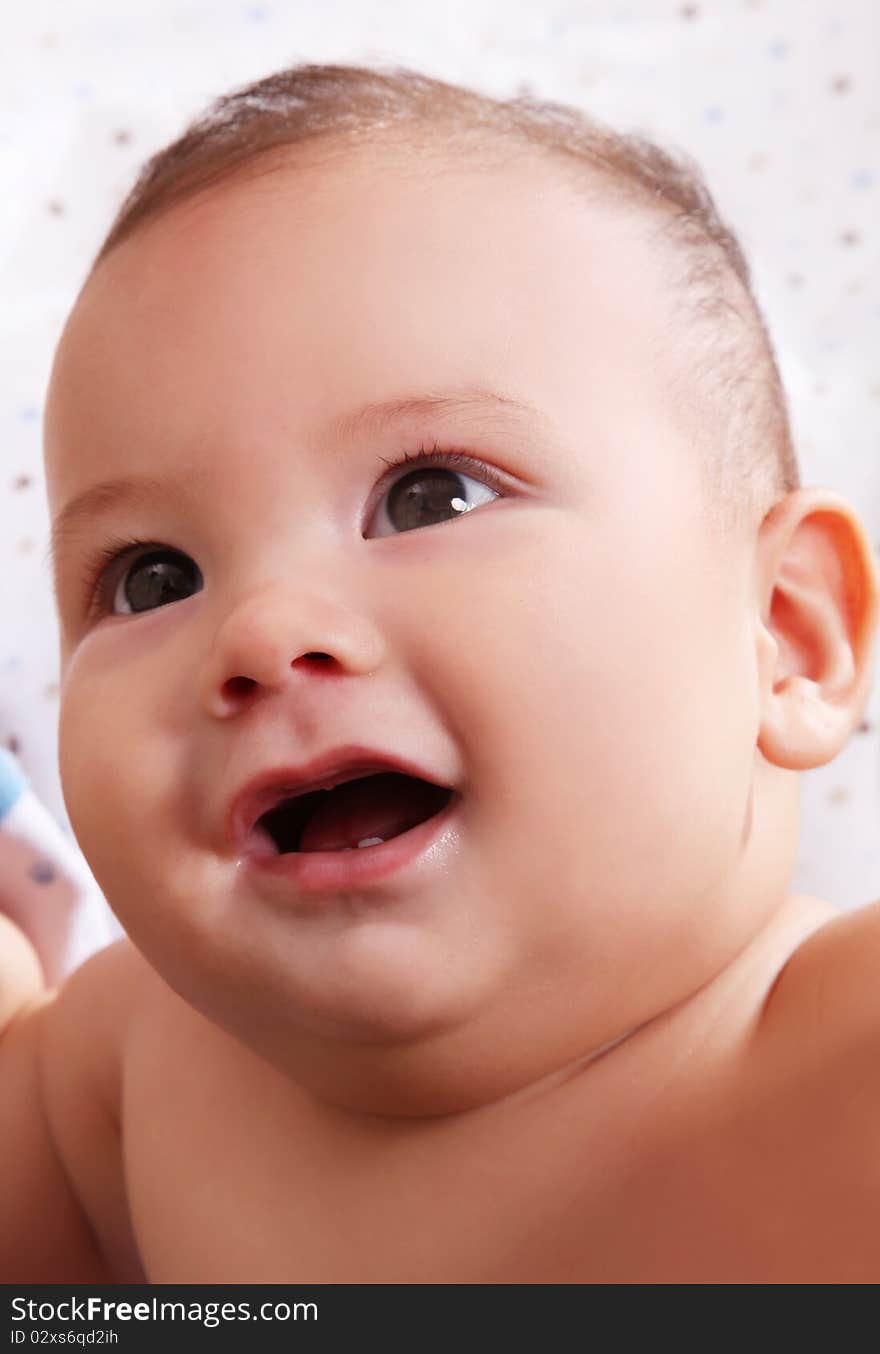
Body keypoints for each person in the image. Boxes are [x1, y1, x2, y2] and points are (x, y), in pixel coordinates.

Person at [2, 61, 878, 1283]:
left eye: (431, 497)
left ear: (783, 634)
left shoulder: (835, 1061)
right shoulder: (127, 1076)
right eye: (153, 576)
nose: (258, 632)